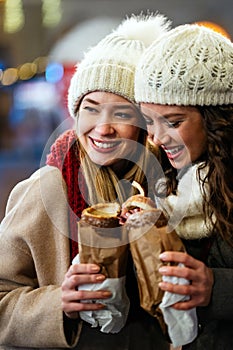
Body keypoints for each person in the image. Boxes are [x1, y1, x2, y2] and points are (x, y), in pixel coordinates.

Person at [0, 13, 172, 349]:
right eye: (91, 109)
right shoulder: (49, 188)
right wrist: (59, 303)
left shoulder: (168, 189)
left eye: (122, 113)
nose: (102, 127)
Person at [134, 23, 233, 349]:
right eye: (150, 120)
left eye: (173, 122)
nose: (158, 138)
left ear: (215, 116)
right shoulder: (165, 176)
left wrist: (216, 288)